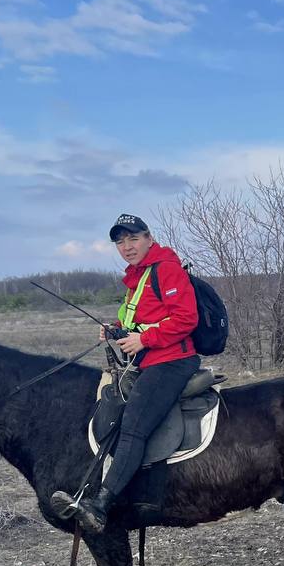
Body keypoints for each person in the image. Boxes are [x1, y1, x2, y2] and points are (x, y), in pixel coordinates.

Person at [53, 214, 200, 532]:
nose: (127, 246)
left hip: (173, 361)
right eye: (120, 242)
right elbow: (142, 319)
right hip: (149, 360)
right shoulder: (138, 276)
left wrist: (144, 340)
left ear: (149, 238)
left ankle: (101, 506)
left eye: (133, 238)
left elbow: (186, 318)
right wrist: (117, 329)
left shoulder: (166, 269)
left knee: (134, 425)